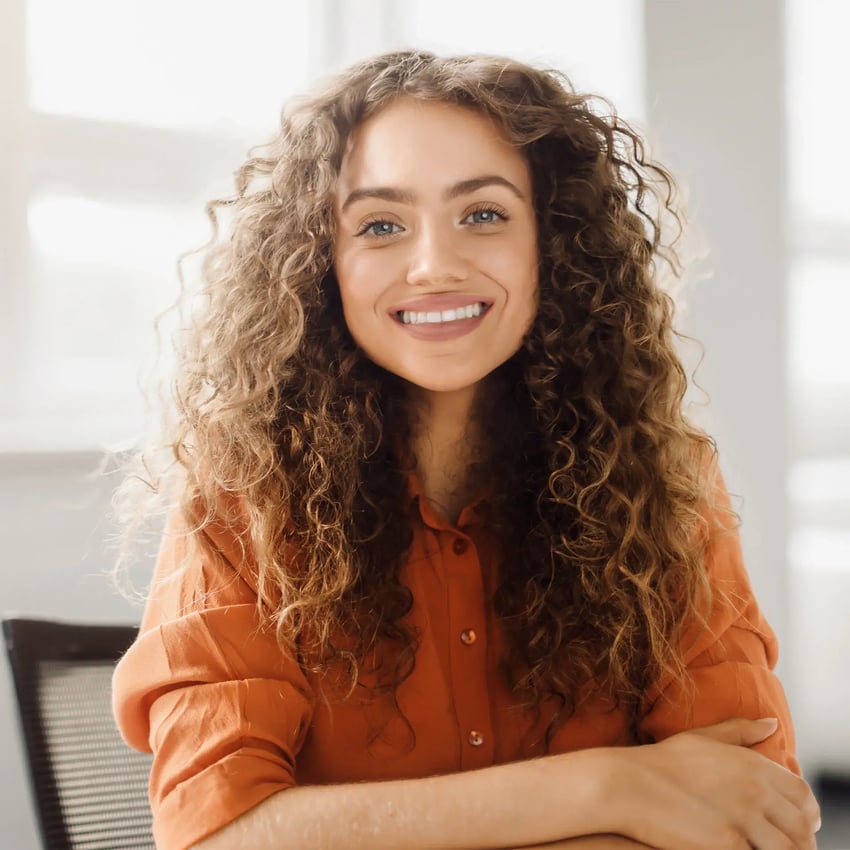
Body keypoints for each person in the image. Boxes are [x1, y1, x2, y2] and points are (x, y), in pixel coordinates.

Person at [111, 50, 820, 850]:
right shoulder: (243, 495)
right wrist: (609, 787)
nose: (434, 266)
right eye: (381, 224)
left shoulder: (665, 482)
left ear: (551, 244)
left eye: (482, 214)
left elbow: (750, 814)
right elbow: (217, 836)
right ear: (321, 264)